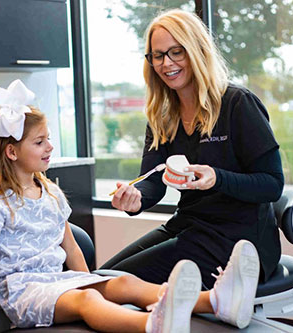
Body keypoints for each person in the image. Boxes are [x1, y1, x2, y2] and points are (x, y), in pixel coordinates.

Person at [0, 79, 260, 332]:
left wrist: (91, 281)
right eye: (40, 141)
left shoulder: (51, 193)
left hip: (58, 283)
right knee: (88, 303)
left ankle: (216, 300)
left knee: (122, 281)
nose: (50, 147)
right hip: (23, 293)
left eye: (49, 138)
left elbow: (70, 249)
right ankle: (151, 324)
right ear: (12, 152)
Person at [105, 8, 283, 305]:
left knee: (117, 293)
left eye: (177, 52)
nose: (167, 63)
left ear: (197, 51)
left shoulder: (237, 104)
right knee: (104, 279)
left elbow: (272, 184)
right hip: (189, 225)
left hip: (240, 240)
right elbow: (152, 182)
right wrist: (133, 197)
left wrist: (217, 178)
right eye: (158, 55)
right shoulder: (162, 115)